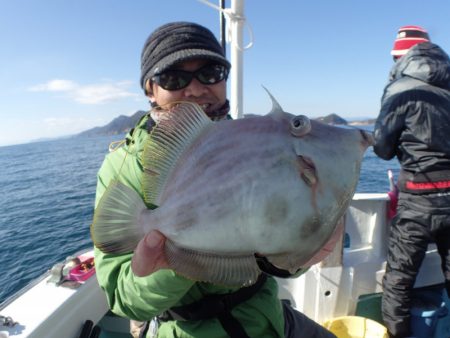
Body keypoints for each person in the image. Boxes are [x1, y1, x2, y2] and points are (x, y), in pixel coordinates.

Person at [93, 21, 336, 338]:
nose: (194, 89)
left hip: (269, 320)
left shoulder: (256, 143)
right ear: (150, 90)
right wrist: (174, 266)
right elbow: (124, 300)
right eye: (173, 78)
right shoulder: (122, 167)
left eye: (210, 73)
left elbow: (281, 246)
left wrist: (292, 255)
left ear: (224, 79)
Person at [373, 25, 450, 338]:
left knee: (399, 282)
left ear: (401, 56)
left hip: (417, 201)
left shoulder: (399, 89)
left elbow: (382, 146)